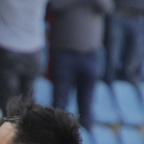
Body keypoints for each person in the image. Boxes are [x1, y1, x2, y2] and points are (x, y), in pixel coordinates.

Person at [48, 0, 113, 131]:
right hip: (64, 52)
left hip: (90, 54)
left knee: (86, 109)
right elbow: (53, 5)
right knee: (59, 107)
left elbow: (107, 7)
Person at [0, 0, 47, 108]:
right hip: (33, 50)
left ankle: (11, 123)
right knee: (27, 106)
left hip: (6, 47)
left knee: (9, 106)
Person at [105, 0, 144, 84]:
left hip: (140, 15)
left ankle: (126, 93)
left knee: (132, 66)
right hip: (118, 12)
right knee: (112, 61)